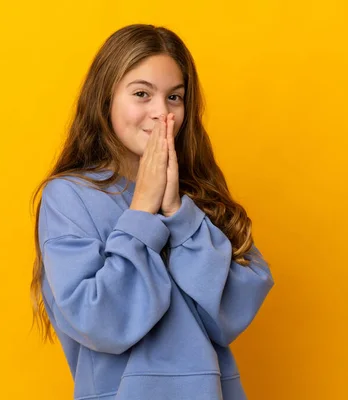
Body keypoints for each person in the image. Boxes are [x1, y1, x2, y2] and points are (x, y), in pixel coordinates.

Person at [29, 23, 275, 400]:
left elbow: (234, 309)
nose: (162, 114)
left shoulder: (197, 196)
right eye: (142, 94)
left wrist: (178, 211)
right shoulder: (68, 197)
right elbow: (98, 321)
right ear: (105, 99)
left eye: (174, 97)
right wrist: (142, 212)